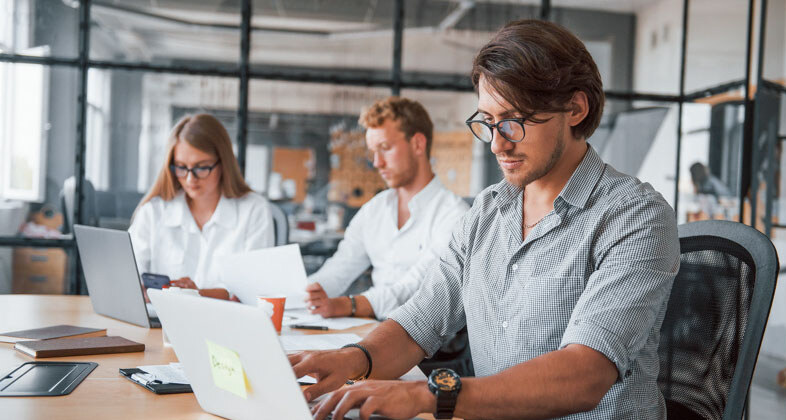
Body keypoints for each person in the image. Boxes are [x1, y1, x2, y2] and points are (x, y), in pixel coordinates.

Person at [291, 19, 680, 420]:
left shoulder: (636, 217)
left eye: (514, 121)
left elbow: (585, 373)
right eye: (488, 122)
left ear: (575, 109)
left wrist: (431, 396)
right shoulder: (487, 212)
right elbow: (421, 319)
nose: (497, 142)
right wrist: (353, 360)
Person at [304, 97, 469, 321]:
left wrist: (349, 305)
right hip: (372, 328)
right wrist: (307, 292)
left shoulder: (454, 215)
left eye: (385, 148)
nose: (376, 163)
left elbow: (415, 290)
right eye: (373, 152)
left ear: (418, 144)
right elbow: (341, 267)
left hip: (428, 346)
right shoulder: (374, 210)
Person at [129, 113, 273, 300]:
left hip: (228, 325)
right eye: (181, 167)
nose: (190, 179)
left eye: (201, 167)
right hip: (161, 325)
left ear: (223, 163)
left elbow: (252, 290)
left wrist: (195, 295)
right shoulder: (153, 212)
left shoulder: (254, 210)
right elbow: (129, 278)